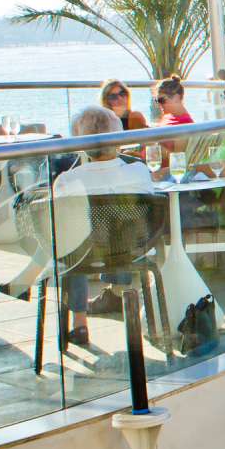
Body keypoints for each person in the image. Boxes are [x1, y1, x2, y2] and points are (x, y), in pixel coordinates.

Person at [50, 105, 162, 349]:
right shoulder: (139, 171)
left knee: (73, 246)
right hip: (131, 251)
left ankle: (79, 321)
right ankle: (120, 290)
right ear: (119, 139)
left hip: (85, 254)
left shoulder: (68, 180)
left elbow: (61, 226)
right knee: (117, 230)